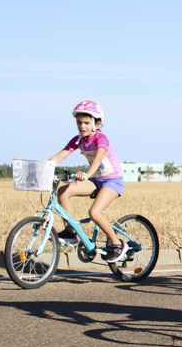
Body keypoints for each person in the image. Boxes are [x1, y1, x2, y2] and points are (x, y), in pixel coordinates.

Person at [47, 101, 127, 263]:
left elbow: (97, 159)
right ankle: (71, 232)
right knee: (63, 191)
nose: (82, 126)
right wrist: (42, 168)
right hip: (96, 181)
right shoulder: (78, 140)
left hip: (112, 181)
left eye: (86, 123)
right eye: (79, 123)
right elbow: (58, 156)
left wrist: (86, 174)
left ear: (97, 123)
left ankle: (117, 244)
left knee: (94, 213)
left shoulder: (101, 138)